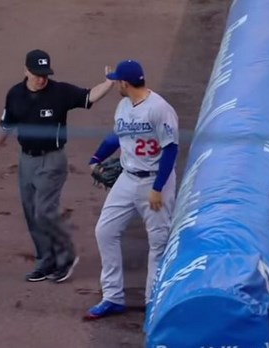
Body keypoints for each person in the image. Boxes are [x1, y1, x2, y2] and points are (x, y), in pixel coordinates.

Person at [0, 49, 114, 283]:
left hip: (53, 160)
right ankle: (46, 260)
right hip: (26, 160)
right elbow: (5, 126)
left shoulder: (59, 92)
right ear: (26, 71)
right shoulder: (15, 94)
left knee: (44, 210)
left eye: (45, 74)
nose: (42, 78)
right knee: (32, 213)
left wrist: (108, 83)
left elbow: (88, 97)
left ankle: (66, 256)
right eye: (37, 74)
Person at [84, 60, 179, 320]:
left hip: (156, 180)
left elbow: (171, 148)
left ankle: (154, 303)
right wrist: (96, 158)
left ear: (125, 83)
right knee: (106, 231)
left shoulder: (160, 109)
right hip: (127, 179)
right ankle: (113, 297)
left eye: (118, 81)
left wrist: (158, 188)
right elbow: (117, 136)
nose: (116, 85)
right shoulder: (123, 106)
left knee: (158, 243)